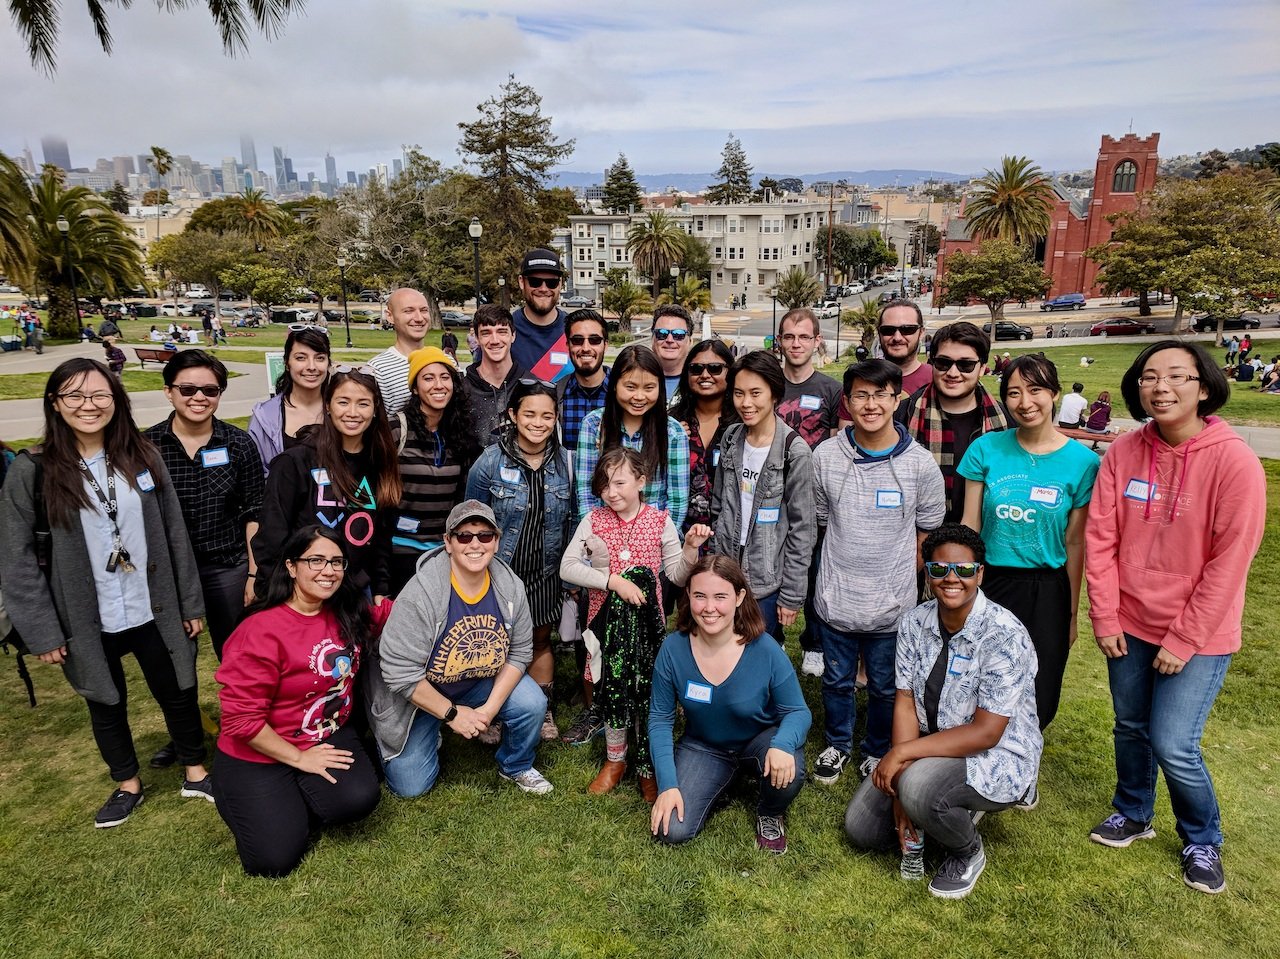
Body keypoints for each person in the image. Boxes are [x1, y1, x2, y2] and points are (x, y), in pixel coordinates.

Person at [0, 358, 213, 827]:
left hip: (150, 603)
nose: (88, 406)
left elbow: (174, 532)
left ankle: (196, 771)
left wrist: (190, 602)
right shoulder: (32, 470)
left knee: (178, 687)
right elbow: (14, 559)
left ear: (117, 402)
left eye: (99, 395)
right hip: (85, 613)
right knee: (105, 698)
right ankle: (127, 783)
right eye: (74, 396)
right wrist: (41, 630)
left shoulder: (143, 456)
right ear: (55, 404)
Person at [1085, 341, 1265, 895]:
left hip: (1199, 633)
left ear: (1204, 387)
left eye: (1177, 377)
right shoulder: (1123, 452)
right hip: (1129, 624)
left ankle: (1202, 838)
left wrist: (1184, 639)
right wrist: (1107, 616)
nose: (1161, 388)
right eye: (1149, 378)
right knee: (1130, 727)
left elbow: (1229, 563)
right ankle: (1134, 811)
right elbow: (1101, 537)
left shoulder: (1235, 461)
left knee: (1174, 744)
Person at [844, 524, 1042, 900]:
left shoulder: (1004, 633)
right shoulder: (914, 622)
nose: (952, 579)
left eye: (965, 570)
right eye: (940, 569)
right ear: (928, 571)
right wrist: (899, 786)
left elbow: (987, 732)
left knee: (918, 788)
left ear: (980, 573)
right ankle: (937, 803)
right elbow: (903, 700)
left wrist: (901, 758)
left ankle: (967, 852)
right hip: (931, 748)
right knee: (862, 830)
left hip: (998, 754)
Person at [212, 527, 388, 877]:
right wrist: (300, 759)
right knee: (274, 861)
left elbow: (396, 614)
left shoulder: (347, 612)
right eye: (316, 560)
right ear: (291, 567)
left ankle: (293, 798)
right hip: (257, 750)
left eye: (337, 562)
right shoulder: (260, 630)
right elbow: (241, 722)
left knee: (357, 801)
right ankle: (265, 799)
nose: (329, 570)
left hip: (323, 732)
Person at [810, 359, 945, 787]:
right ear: (847, 402)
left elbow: (927, 532)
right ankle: (837, 743)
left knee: (887, 686)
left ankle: (875, 749)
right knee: (837, 680)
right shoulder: (826, 456)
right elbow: (819, 519)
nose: (871, 405)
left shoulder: (920, 465)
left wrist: (908, 584)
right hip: (837, 598)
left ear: (896, 399)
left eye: (881, 394)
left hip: (893, 605)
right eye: (861, 395)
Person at [370, 500, 555, 797]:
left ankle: (516, 765)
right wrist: (454, 715)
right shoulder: (422, 593)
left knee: (532, 702)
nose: (475, 544)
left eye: (485, 536)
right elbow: (399, 673)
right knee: (409, 786)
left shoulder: (510, 587)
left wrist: (488, 710)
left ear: (496, 542)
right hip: (420, 692)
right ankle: (419, 733)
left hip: (477, 679)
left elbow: (520, 651)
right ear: (448, 542)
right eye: (464, 536)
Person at [959, 354, 1100, 731]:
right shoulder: (985, 449)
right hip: (990, 582)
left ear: (1054, 393)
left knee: (1041, 682)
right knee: (979, 675)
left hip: (1047, 588)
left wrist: (1070, 614)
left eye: (1035, 390)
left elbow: (1074, 543)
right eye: (1014, 393)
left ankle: (1024, 760)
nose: (1025, 402)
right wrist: (962, 585)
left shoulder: (1084, 463)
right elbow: (970, 524)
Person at [143, 349, 265, 777]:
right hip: (169, 576)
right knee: (175, 661)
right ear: (168, 391)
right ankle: (185, 738)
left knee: (237, 657)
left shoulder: (238, 443)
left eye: (209, 390)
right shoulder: (145, 447)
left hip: (227, 567)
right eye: (188, 388)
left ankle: (243, 731)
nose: (199, 397)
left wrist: (253, 572)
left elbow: (254, 511)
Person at [559, 449, 705, 801]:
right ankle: (615, 760)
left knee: (646, 692)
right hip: (603, 625)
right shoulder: (593, 520)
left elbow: (677, 575)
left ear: (641, 482)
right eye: (605, 484)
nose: (611, 492)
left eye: (620, 482)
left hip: (646, 630)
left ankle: (647, 764)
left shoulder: (659, 521)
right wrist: (613, 581)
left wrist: (689, 550)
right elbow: (567, 567)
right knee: (612, 689)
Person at [649, 555, 811, 853]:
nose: (709, 608)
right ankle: (720, 779)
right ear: (688, 596)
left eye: (720, 596)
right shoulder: (673, 648)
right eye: (700, 596)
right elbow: (660, 719)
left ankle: (770, 811)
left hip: (760, 741)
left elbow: (797, 711)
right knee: (671, 830)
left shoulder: (765, 649)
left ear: (739, 597)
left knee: (790, 771)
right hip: (704, 746)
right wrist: (668, 785)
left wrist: (783, 744)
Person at [466, 380, 573, 741]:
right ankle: (492, 711)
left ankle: (542, 711)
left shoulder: (566, 463)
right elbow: (472, 518)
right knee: (494, 644)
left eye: (547, 415)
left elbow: (572, 520)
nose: (538, 422)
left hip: (545, 572)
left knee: (540, 641)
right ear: (513, 415)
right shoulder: (489, 462)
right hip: (498, 574)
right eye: (529, 413)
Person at [252, 365, 401, 602]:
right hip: (303, 594)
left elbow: (381, 537)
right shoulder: (295, 462)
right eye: (343, 402)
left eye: (363, 403)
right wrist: (280, 593)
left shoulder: (379, 463)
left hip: (356, 593)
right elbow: (272, 537)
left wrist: (381, 589)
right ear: (328, 406)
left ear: (375, 410)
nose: (353, 412)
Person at [710, 351, 815, 638]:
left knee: (759, 654)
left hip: (767, 579)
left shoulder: (794, 452)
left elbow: (803, 529)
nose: (746, 403)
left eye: (756, 393)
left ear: (774, 395)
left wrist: (792, 594)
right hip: (724, 568)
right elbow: (718, 505)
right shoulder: (731, 437)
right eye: (739, 393)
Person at [775, 308, 844, 676]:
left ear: (817, 341)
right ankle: (773, 633)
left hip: (815, 498)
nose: (796, 343)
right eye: (789, 336)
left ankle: (814, 643)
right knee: (770, 565)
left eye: (804, 337)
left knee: (817, 570)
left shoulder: (831, 390)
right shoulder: (769, 383)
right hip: (771, 492)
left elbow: (836, 446)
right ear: (780, 341)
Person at [386, 347, 480, 595]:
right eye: (428, 378)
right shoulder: (396, 429)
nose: (438, 385)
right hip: (402, 550)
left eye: (445, 377)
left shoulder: (459, 432)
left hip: (444, 550)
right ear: (415, 388)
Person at [898, 322, 1012, 525]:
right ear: (931, 362)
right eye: (943, 363)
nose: (952, 373)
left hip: (985, 538)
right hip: (917, 534)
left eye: (965, 365)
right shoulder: (903, 415)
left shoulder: (1006, 421)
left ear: (983, 368)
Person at [574, 344, 689, 530]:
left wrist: (652, 542)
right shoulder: (594, 425)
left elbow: (677, 501)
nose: (639, 396)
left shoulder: (673, 432)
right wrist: (599, 537)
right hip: (603, 535)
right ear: (614, 386)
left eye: (649, 387)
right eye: (630, 387)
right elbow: (586, 492)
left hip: (653, 538)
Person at [668, 338, 735, 532]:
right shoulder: (672, 422)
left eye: (715, 368)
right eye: (696, 369)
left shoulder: (742, 424)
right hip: (680, 534)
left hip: (727, 534)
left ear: (730, 372)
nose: (705, 375)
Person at [248, 326, 330, 473]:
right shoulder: (265, 416)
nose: (311, 366)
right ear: (286, 363)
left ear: (328, 363)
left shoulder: (342, 410)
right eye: (301, 358)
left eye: (320, 358)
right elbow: (257, 474)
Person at [462, 305, 526, 448]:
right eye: (486, 333)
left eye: (502, 332)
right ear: (477, 338)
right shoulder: (461, 390)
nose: (495, 340)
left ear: (513, 336)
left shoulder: (530, 386)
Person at [511, 248, 571, 383]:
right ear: (521, 281)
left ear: (560, 284)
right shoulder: (504, 332)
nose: (544, 289)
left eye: (551, 283)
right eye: (535, 282)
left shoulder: (575, 329)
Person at [557, 309, 611, 455]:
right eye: (577, 340)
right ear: (568, 345)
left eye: (594, 340)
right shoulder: (555, 395)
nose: (586, 348)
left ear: (605, 345)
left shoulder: (623, 391)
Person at [369, 289, 430, 415]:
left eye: (424, 310)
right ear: (390, 316)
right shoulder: (378, 370)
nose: (419, 318)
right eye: (408, 311)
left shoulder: (446, 362)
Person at [650, 305, 694, 400]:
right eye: (662, 334)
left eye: (678, 334)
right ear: (652, 340)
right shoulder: (636, 377)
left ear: (690, 341)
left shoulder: (700, 381)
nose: (670, 340)